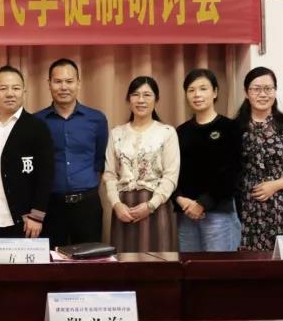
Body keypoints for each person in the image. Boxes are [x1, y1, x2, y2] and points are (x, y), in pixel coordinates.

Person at [0, 66, 54, 252]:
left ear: (24, 92)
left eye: (16, 88)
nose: (10, 93)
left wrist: (36, 215)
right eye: (3, 88)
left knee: (24, 270)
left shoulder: (37, 128)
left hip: (26, 222)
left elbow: (46, 174)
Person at [235, 67, 283, 251]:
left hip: (282, 205)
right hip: (246, 205)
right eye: (256, 89)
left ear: (275, 91)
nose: (263, 94)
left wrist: (274, 185)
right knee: (248, 261)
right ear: (246, 92)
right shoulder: (235, 127)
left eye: (268, 88)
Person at [34, 58, 109, 248]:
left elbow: (99, 161)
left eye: (69, 81)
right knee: (50, 260)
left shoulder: (97, 119)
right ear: (49, 84)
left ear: (78, 83)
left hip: (87, 205)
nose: (63, 87)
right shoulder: (36, 122)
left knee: (89, 260)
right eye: (57, 81)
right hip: (50, 206)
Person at [103, 76, 180, 253]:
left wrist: (150, 205)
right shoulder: (116, 133)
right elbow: (109, 174)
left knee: (157, 262)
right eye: (135, 95)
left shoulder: (167, 133)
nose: (141, 100)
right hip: (123, 209)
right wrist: (116, 204)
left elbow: (171, 175)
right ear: (128, 99)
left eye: (147, 95)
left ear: (156, 99)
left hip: (157, 206)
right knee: (124, 262)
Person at [174, 68, 241, 252]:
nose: (197, 94)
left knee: (218, 268)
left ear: (215, 92)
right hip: (186, 214)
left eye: (203, 88)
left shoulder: (230, 127)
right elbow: (173, 170)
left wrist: (203, 203)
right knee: (189, 266)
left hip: (219, 213)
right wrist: (179, 198)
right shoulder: (181, 131)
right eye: (191, 90)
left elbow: (232, 172)